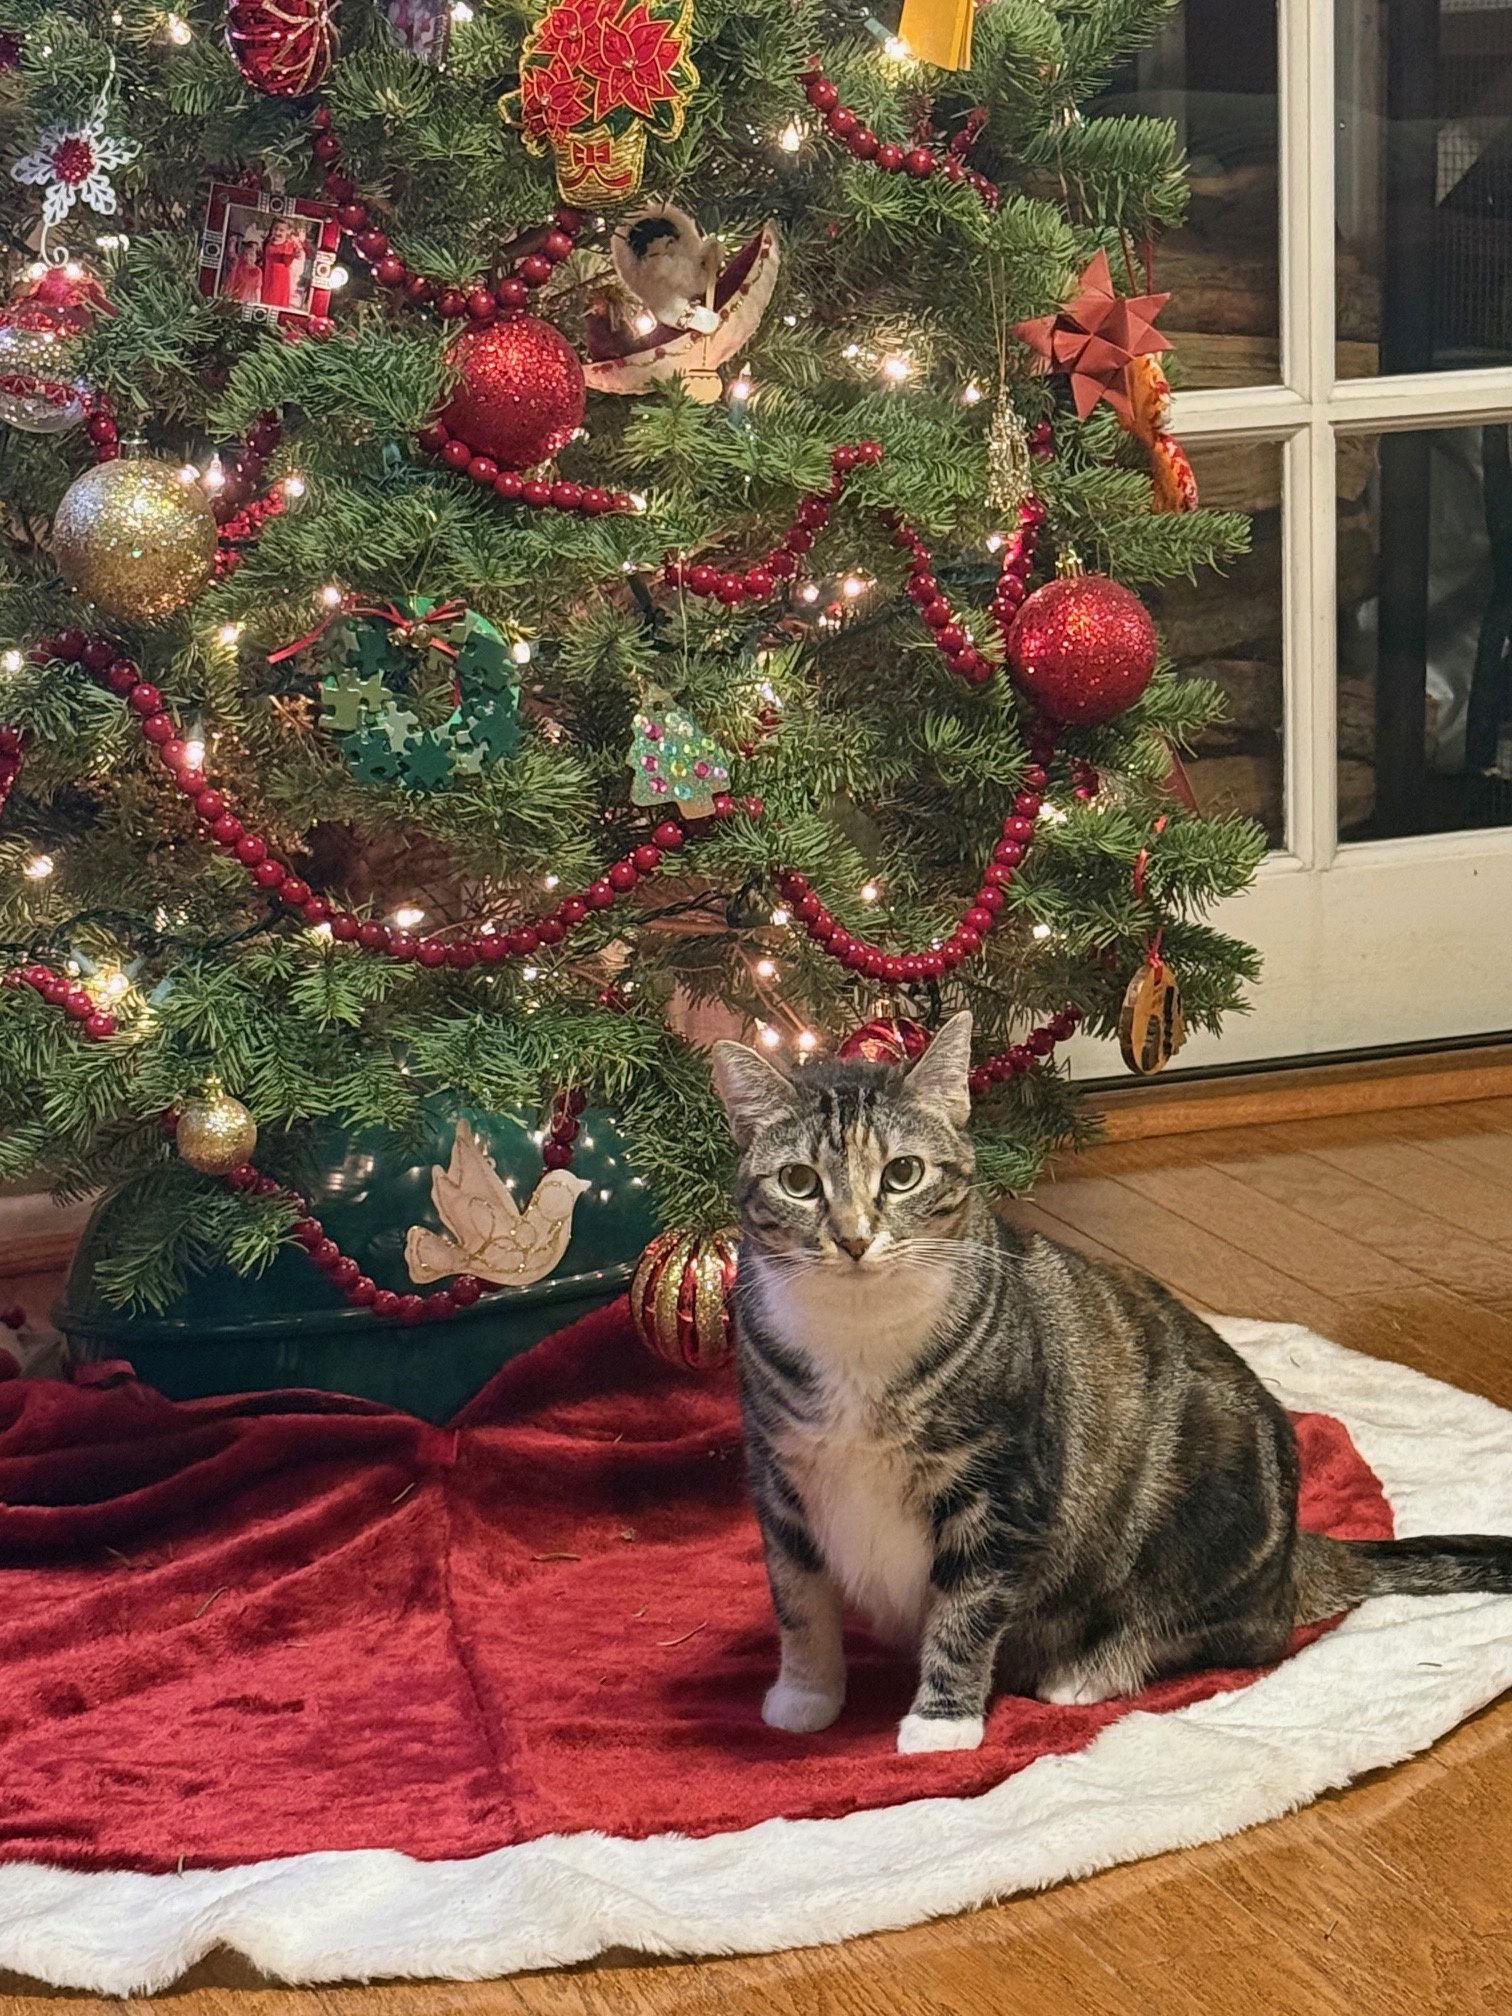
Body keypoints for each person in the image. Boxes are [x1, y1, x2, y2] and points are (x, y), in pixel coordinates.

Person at [260, 218, 308, 312]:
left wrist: (297, 250)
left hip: (282, 281)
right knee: (267, 302)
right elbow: (280, 258)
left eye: (281, 230)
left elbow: (295, 257)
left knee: (279, 303)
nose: (277, 232)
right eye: (275, 228)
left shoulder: (290, 245)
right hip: (269, 278)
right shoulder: (269, 245)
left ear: (288, 232)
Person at [224, 228, 264, 304]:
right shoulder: (239, 263)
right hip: (233, 299)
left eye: (251, 255)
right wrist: (232, 242)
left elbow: (257, 289)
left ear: (257, 256)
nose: (248, 257)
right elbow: (231, 253)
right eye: (245, 254)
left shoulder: (258, 271)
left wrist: (258, 303)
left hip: (247, 301)